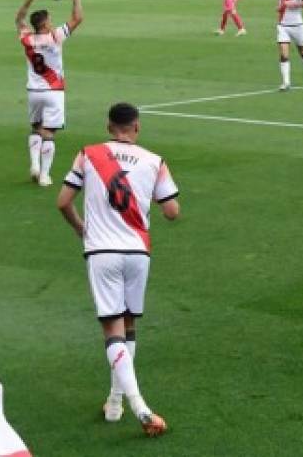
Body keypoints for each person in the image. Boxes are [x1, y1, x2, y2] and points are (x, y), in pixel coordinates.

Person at [55, 102, 179, 436]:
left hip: (102, 251)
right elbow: (171, 211)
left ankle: (139, 407)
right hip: (138, 251)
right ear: (137, 127)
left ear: (109, 128)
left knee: (112, 330)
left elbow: (63, 202)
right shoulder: (154, 161)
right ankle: (114, 401)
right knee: (128, 324)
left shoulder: (88, 154)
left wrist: (82, 229)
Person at [16, 0, 83, 187]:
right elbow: (77, 18)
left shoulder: (27, 39)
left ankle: (34, 165)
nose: (52, 23)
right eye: (50, 20)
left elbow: (19, 19)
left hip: (33, 91)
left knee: (36, 128)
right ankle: (44, 175)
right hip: (54, 91)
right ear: (45, 24)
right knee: (49, 133)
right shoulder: (55, 37)